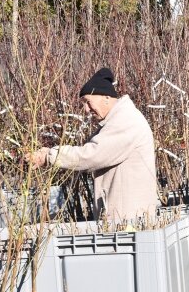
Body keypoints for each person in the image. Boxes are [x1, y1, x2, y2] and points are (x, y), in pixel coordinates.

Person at [27, 67, 159, 221]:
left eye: (88, 102)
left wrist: (49, 156)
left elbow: (90, 155)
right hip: (127, 218)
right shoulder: (117, 120)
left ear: (106, 98)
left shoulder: (125, 121)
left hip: (129, 220)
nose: (86, 109)